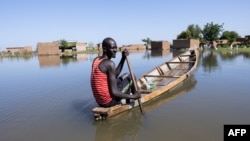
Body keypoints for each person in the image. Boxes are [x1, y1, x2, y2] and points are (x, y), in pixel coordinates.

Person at [91, 37, 140, 107]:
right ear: (104, 49)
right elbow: (114, 93)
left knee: (126, 74)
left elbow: (114, 75)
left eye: (116, 48)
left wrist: (123, 58)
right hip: (109, 101)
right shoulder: (109, 63)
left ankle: (132, 94)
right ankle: (134, 97)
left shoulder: (96, 60)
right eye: (113, 48)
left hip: (100, 101)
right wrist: (134, 96)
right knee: (131, 77)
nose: (115, 50)